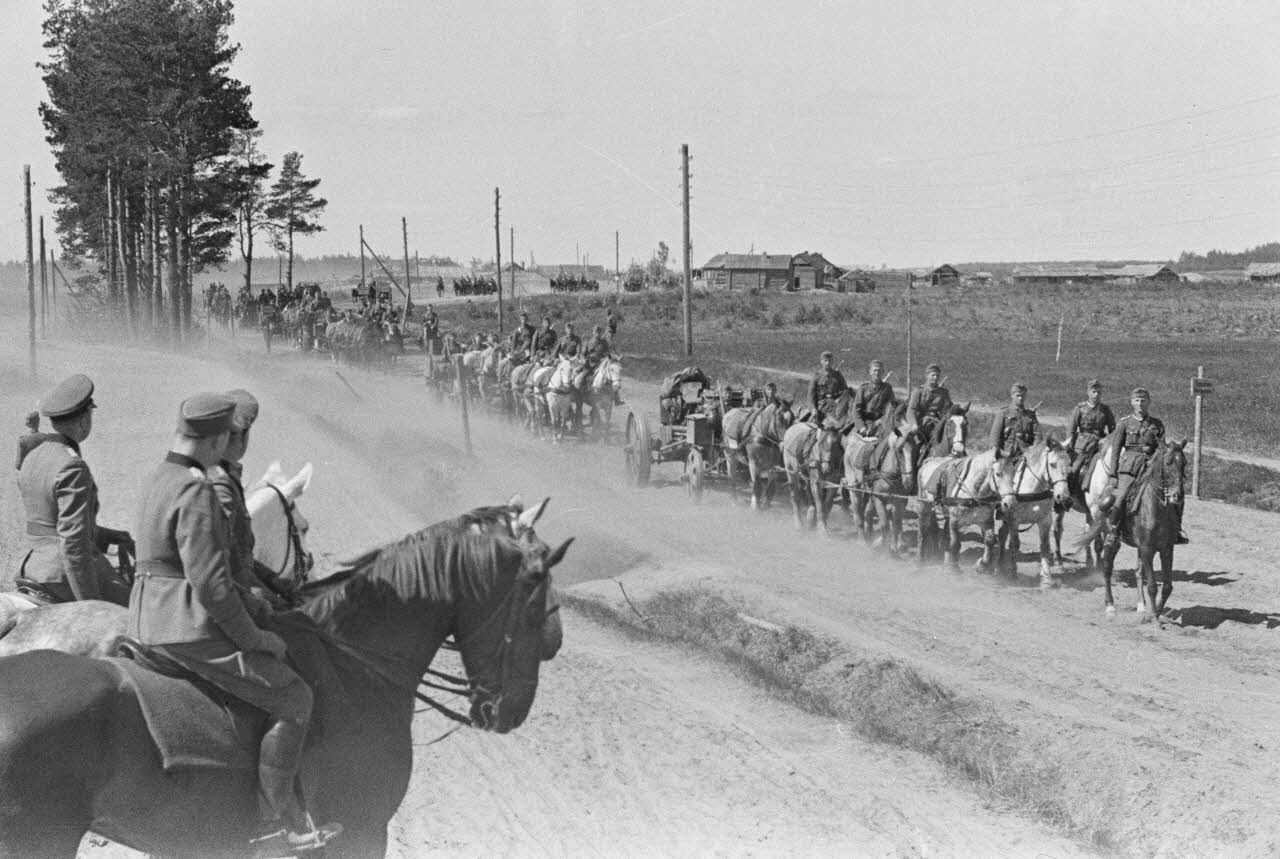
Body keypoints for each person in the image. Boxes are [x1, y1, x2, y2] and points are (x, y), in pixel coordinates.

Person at [129, 393, 340, 855]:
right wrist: (255, 637)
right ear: (217, 440)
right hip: (183, 625)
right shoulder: (197, 490)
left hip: (144, 616)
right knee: (295, 697)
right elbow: (212, 586)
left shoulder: (157, 476)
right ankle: (273, 827)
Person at [16, 374, 132, 605]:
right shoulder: (71, 466)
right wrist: (90, 605)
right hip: (63, 574)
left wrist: (105, 534)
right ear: (84, 419)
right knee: (140, 614)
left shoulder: (34, 455)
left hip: (35, 566)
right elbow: (73, 543)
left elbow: (50, 523)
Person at [211, 390, 293, 610]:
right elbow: (219, 562)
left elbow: (233, 552)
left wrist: (270, 578)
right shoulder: (218, 483)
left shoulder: (221, 473)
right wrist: (262, 595)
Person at [1103, 388, 1175, 533]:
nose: (1140, 404)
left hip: (1150, 466)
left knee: (1171, 497)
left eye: (1143, 400)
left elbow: (1161, 448)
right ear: (1132, 402)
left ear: (1149, 402)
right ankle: (1113, 530)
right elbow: (1116, 450)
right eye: (1137, 400)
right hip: (1129, 467)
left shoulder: (1157, 424)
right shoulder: (1124, 423)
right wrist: (1112, 475)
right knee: (1122, 496)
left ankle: (1175, 530)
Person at [1065, 379, 1116, 486]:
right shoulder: (1080, 408)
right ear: (1088, 392)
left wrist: (1106, 439)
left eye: (1099, 392)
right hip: (1082, 444)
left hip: (1100, 443)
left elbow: (1113, 431)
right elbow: (1071, 430)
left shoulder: (1106, 410)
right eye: (1093, 392)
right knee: (1075, 468)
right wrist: (1070, 449)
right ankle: (1071, 490)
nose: (1096, 395)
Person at [987, 383, 1039, 460]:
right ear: (1012, 395)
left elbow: (1038, 437)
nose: (1021, 398)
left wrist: (1032, 451)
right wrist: (1002, 454)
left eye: (1023, 396)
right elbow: (994, 440)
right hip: (1005, 456)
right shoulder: (1003, 413)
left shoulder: (1031, 415)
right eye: (1018, 395)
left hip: (1025, 457)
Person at [907, 363, 953, 442]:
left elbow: (950, 408)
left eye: (937, 376)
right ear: (927, 375)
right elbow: (911, 410)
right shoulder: (919, 391)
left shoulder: (944, 393)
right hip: (921, 423)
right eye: (933, 375)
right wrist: (913, 424)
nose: (935, 377)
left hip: (938, 422)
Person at [852, 359, 897, 434]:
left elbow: (892, 407)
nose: (877, 373)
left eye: (879, 371)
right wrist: (861, 427)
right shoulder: (863, 388)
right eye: (874, 370)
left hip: (882, 423)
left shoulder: (888, 388)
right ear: (870, 372)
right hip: (865, 422)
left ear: (883, 372)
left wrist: (883, 420)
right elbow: (856, 410)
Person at [807, 351, 848, 424]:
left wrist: (840, 400)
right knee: (813, 425)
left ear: (832, 361)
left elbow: (845, 390)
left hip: (836, 405)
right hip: (821, 406)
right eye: (825, 361)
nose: (828, 363)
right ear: (821, 362)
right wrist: (813, 409)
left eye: (830, 360)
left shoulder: (838, 375)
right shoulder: (817, 376)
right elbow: (811, 395)